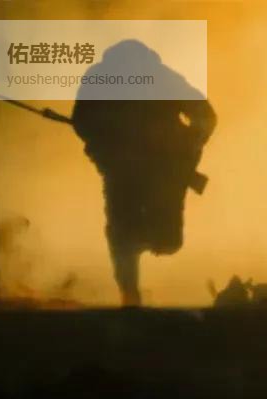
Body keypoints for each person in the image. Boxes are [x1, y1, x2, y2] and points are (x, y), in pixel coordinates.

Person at [71, 40, 216, 307]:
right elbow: (82, 121)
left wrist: (187, 146)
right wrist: (106, 145)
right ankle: (130, 292)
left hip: (163, 171)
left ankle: (134, 248)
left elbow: (205, 116)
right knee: (121, 234)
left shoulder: (161, 79)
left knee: (167, 241)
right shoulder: (104, 79)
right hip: (122, 172)